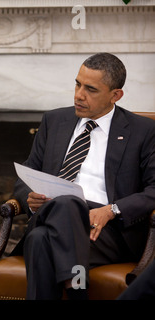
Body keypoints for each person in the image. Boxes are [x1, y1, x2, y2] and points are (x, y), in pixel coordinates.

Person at [12, 52, 155, 300]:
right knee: (66, 203)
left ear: (115, 95)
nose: (79, 95)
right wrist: (30, 198)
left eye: (90, 89)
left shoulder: (143, 131)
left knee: (39, 240)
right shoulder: (54, 120)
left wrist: (112, 209)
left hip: (106, 231)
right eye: (77, 84)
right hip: (51, 211)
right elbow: (26, 175)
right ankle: (77, 292)